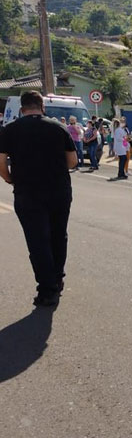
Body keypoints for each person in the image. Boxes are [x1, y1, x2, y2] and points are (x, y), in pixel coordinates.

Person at [0, 91, 78, 306]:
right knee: (58, 235)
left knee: (37, 241)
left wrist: (10, 179)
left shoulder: (10, 130)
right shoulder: (58, 127)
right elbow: (72, 161)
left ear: (22, 109)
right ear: (42, 106)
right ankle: (58, 278)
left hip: (28, 193)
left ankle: (47, 289)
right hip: (59, 191)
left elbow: (1, 162)